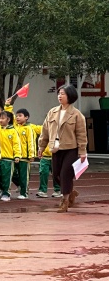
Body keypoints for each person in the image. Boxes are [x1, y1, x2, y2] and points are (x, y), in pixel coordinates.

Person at [38, 84, 87, 213]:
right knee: (56, 176)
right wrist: (41, 146)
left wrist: (82, 151)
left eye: (63, 94)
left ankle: (64, 201)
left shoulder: (77, 115)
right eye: (59, 93)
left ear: (70, 96)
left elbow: (81, 135)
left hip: (71, 149)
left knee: (65, 174)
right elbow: (45, 131)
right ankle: (71, 192)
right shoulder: (52, 112)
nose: (60, 96)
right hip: (56, 148)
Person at [0, 110, 21, 203]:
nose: (0, 120)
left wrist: (17, 155)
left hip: (9, 159)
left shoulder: (13, 131)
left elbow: (16, 144)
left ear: (8, 119)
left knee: (7, 176)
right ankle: (1, 189)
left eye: (2, 118)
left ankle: (6, 193)